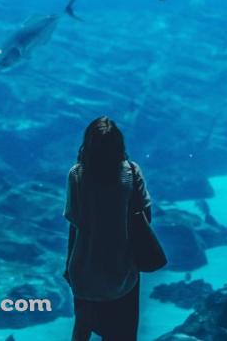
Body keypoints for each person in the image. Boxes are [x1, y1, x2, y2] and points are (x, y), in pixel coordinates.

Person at [64, 116, 151, 341]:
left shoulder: (77, 175)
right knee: (122, 333)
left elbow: (74, 222)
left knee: (82, 329)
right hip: (122, 267)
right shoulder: (131, 172)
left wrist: (69, 265)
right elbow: (145, 217)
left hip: (85, 265)